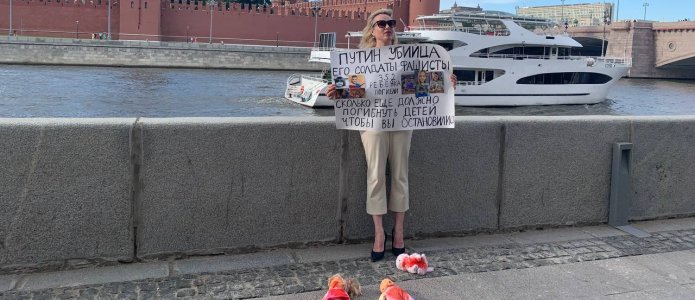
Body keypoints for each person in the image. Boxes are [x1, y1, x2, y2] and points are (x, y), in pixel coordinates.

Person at [326, 8, 456, 262]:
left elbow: (421, 88)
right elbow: (356, 94)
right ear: (372, 31)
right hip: (372, 123)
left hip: (401, 121)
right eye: (381, 23)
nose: (387, 27)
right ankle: (378, 234)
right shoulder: (361, 61)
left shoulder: (406, 60)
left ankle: (398, 232)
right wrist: (335, 92)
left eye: (391, 23)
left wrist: (446, 81)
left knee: (400, 176)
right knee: (375, 177)